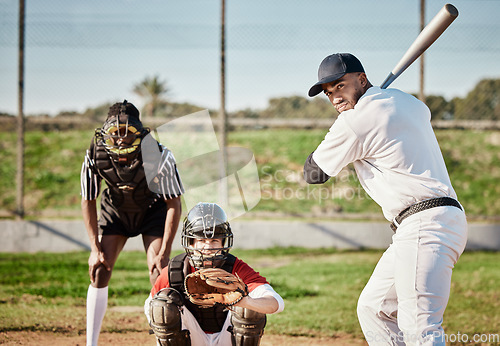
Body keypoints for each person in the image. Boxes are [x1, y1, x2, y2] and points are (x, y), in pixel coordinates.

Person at [303, 53, 467, 345]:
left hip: (423, 224)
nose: (335, 98)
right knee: (374, 308)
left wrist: (341, 130)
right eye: (328, 93)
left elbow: (314, 173)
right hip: (435, 221)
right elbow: (411, 113)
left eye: (340, 86)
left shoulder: (354, 121)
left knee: (420, 327)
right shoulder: (408, 102)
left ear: (362, 79)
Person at [80, 100, 184, 346]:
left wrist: (165, 251)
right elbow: (88, 200)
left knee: (159, 272)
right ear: (106, 132)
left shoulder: (159, 155)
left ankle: (163, 341)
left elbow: (174, 205)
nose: (122, 139)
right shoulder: (95, 154)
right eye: (116, 132)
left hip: (152, 210)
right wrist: (95, 249)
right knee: (99, 269)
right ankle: (91, 343)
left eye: (129, 132)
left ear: (140, 132)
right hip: (115, 210)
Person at [144, 202, 284, 346]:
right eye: (201, 240)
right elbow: (150, 307)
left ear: (223, 243)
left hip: (227, 337)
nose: (208, 247)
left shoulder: (235, 267)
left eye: (215, 240)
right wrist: (169, 324)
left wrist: (244, 301)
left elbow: (277, 303)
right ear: (190, 243)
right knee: (162, 305)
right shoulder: (177, 270)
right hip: (191, 338)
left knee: (248, 309)